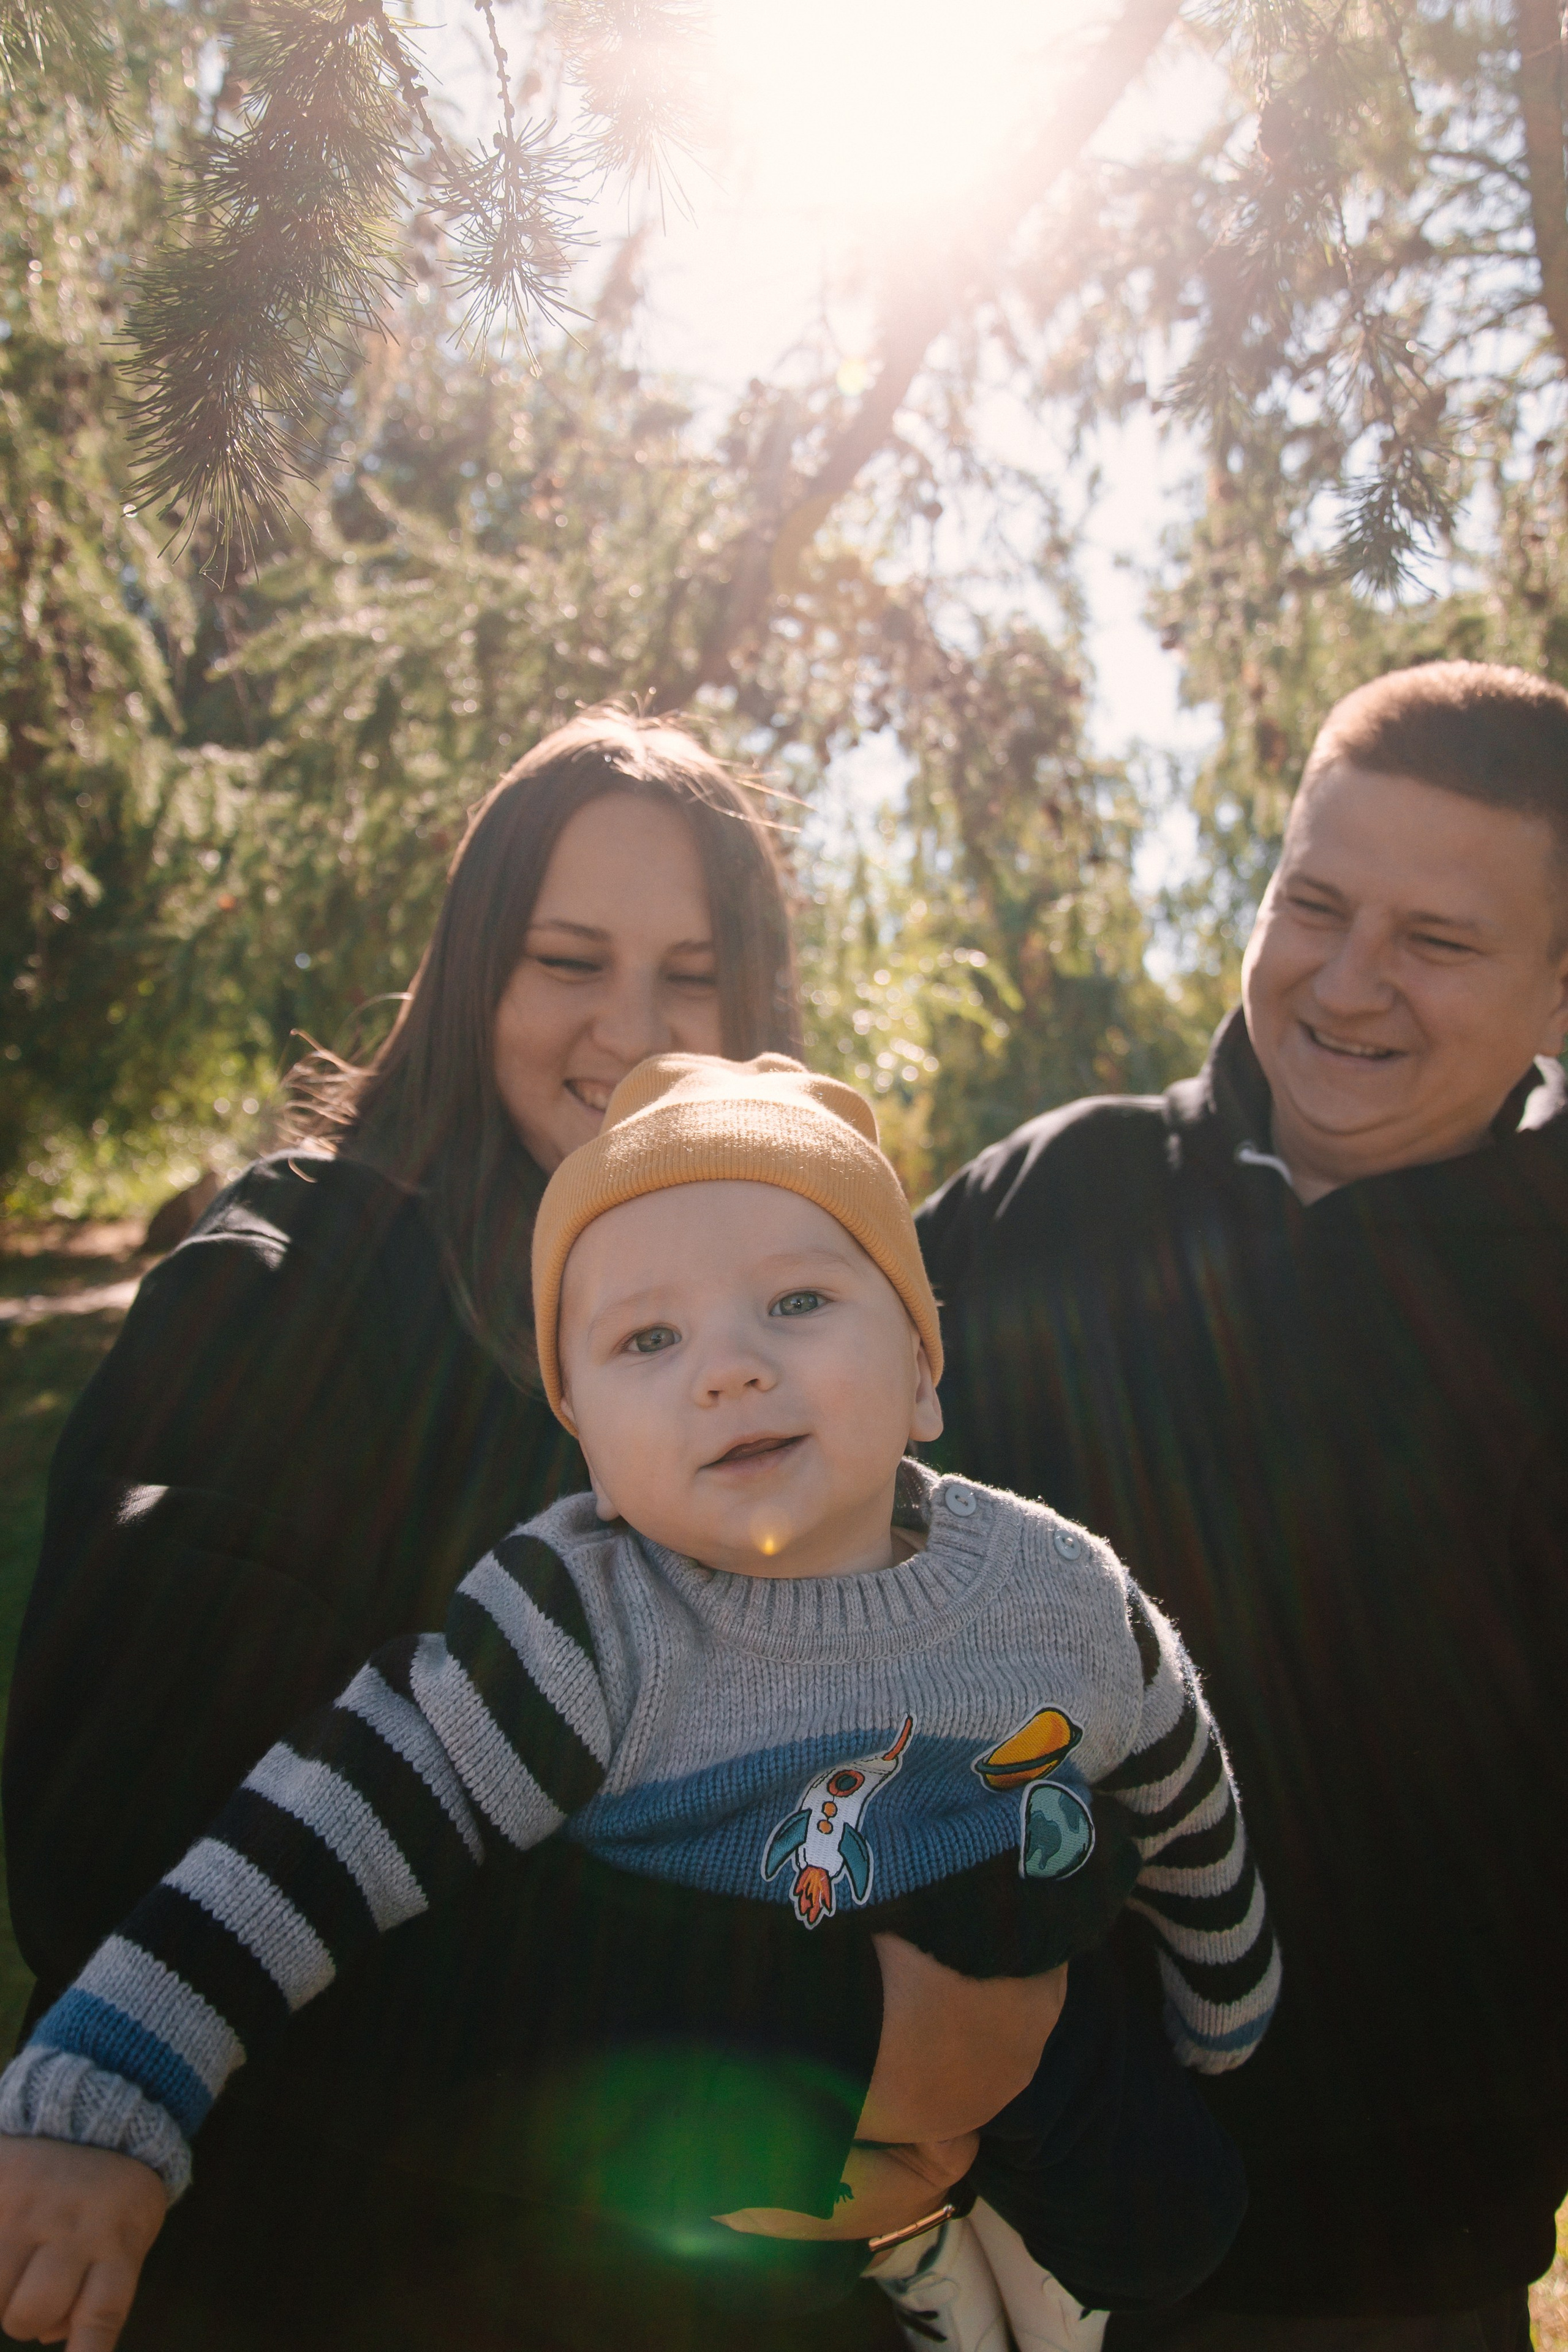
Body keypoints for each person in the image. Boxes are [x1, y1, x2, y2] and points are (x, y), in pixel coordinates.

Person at [0, 1054, 1270, 2352]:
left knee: (1179, 2222)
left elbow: (1179, 1779)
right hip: (730, 2063)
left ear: (922, 1375)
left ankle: (1013, 2252)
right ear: (589, 1449)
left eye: (794, 1301)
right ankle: (925, 2252)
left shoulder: (1048, 1585)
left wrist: (1224, 1990)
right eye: (646, 1339)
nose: (724, 1368)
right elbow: (315, 1837)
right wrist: (109, 2090)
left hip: (1001, 1954)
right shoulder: (578, 1623)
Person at [1, 707, 869, 2352]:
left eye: (691, 976)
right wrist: (827, 2019)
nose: (630, 1028)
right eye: (569, 960)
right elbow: (125, 1847)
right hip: (304, 2268)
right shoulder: (282, 1300)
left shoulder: (786, 1352)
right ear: (476, 970)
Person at [915, 660, 1568, 2351]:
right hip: (981, 2219)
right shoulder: (1055, 1201)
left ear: (1562, 985)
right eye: (1315, 903)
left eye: (1438, 939)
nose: (1351, 983)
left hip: (1387, 2270)